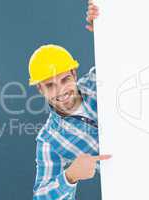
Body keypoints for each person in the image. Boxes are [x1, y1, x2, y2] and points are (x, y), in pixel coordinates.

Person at [30, 2, 111, 199]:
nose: (61, 90)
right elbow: (41, 196)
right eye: (50, 85)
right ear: (40, 89)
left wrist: (105, 28)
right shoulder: (50, 140)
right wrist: (70, 176)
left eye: (65, 79)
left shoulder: (97, 81)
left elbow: (131, 54)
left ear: (74, 74)